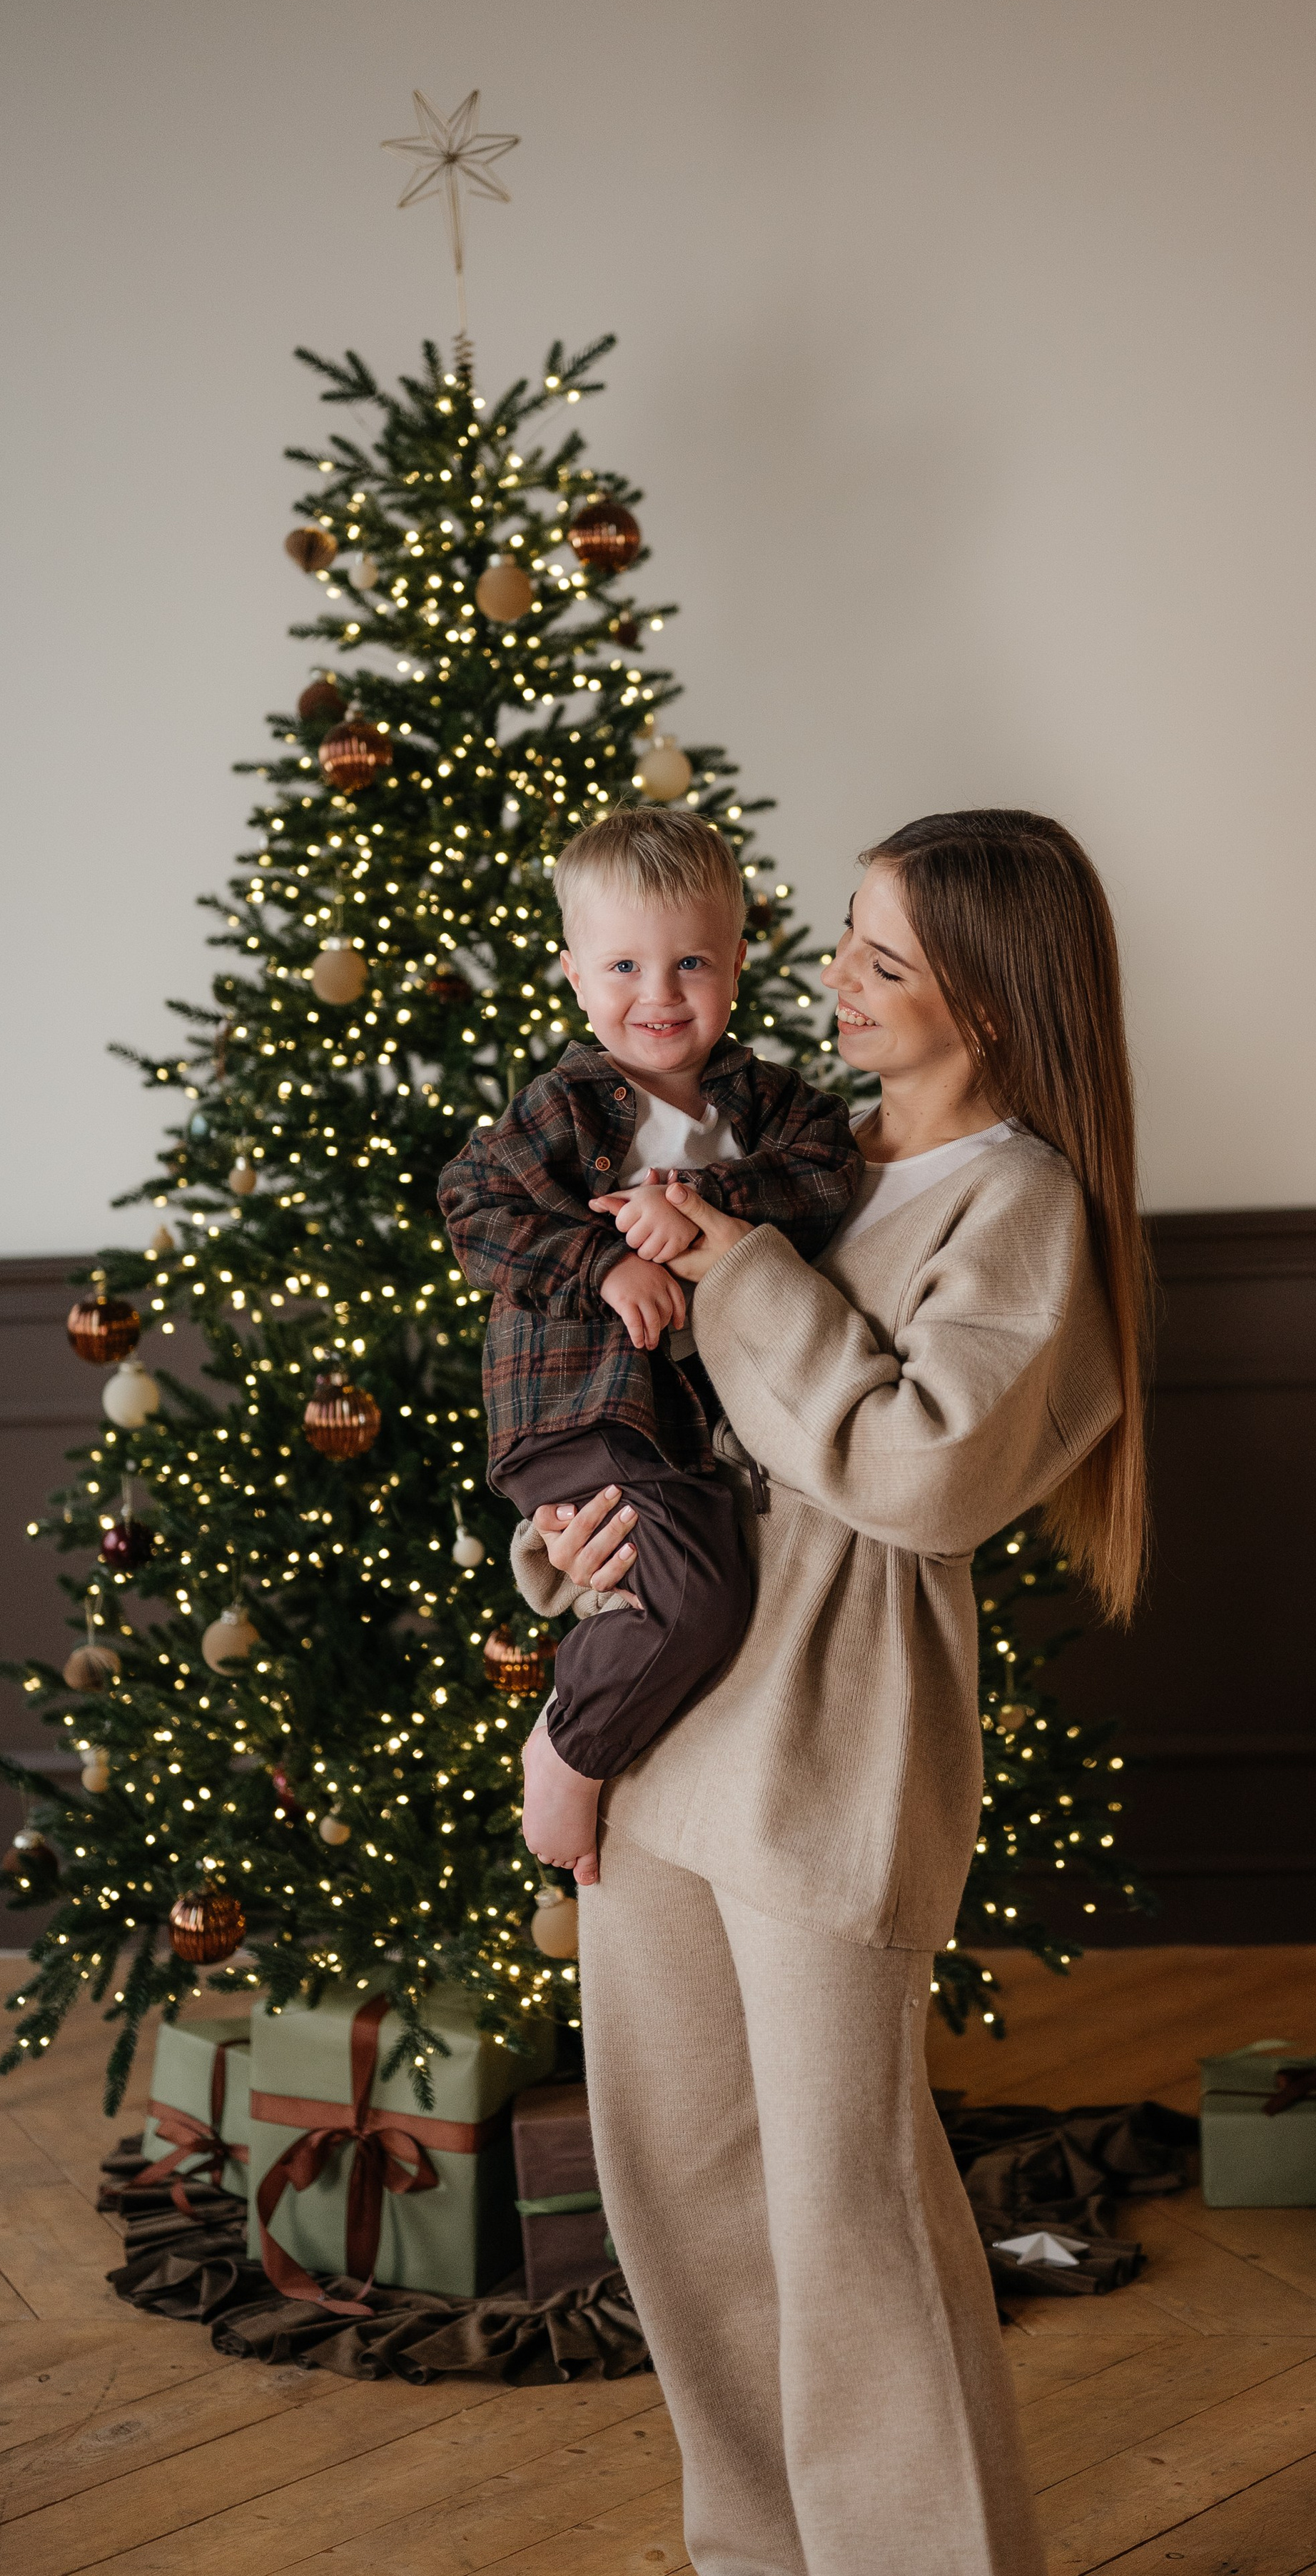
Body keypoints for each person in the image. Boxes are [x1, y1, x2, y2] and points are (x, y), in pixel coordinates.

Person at [510, 808, 1152, 2576]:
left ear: (998, 1004)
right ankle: (756, 2556)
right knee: (684, 2197)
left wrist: (743, 1274)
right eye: (844, 939)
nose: (830, 980)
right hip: (661, 1735)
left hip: (828, 1749)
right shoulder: (796, 1150)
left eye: (882, 958)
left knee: (842, 2212)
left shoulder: (1017, 1207)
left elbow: (920, 1474)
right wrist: (566, 1557)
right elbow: (655, 1421)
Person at [437, 804, 861, 1884]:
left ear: (739, 962)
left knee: (704, 1583)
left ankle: (604, 1738)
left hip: (678, 1428)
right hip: (583, 1409)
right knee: (697, 1597)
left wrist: (707, 1201)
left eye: (690, 964)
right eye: (623, 964)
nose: (660, 996)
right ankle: (568, 1747)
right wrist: (606, 1264)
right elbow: (473, 1207)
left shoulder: (764, 1107)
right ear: (574, 974)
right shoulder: (569, 1108)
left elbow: (826, 1172)